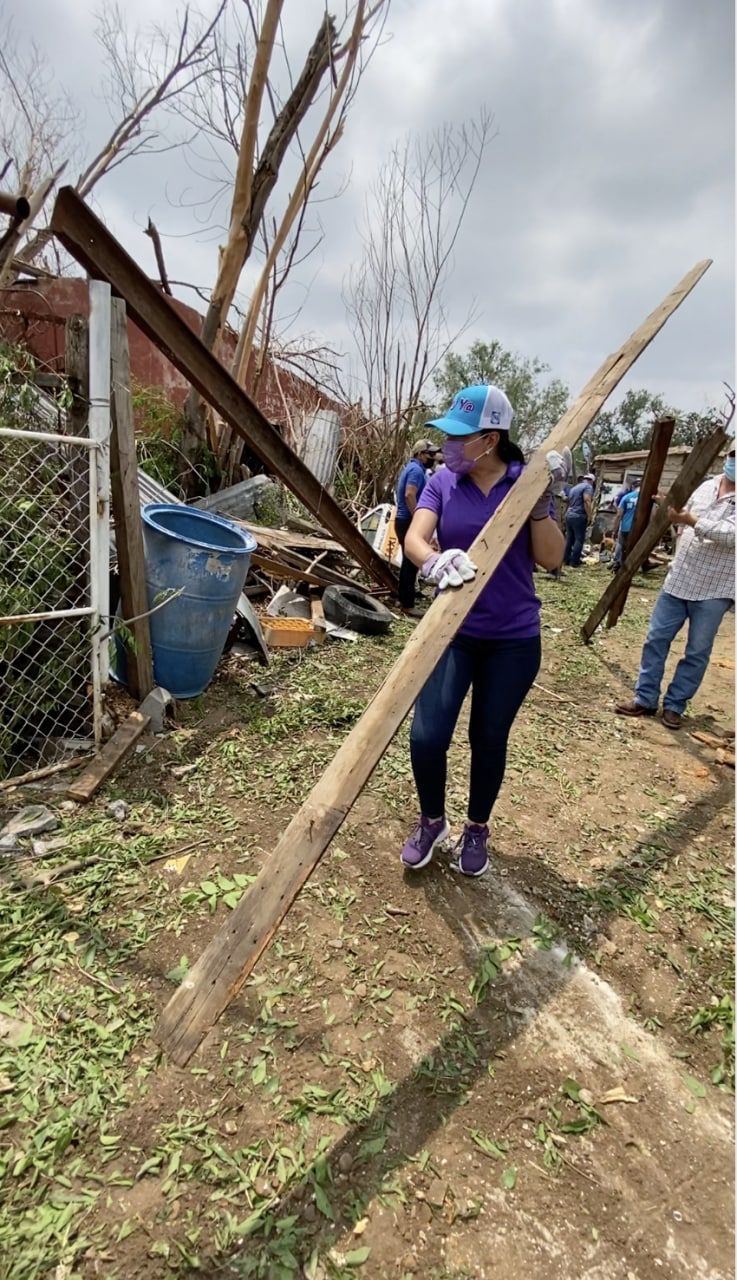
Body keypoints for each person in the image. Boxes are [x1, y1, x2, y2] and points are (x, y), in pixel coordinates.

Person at [399, 383, 567, 877]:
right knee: (427, 737)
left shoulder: (526, 482)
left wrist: (539, 505)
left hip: (512, 639)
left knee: (488, 736)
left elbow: (552, 557)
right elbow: (413, 537)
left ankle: (477, 827)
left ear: (490, 439)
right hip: (452, 630)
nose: (448, 446)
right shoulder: (442, 481)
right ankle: (433, 822)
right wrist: (432, 562)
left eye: (460, 437)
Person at [616, 450, 735, 730]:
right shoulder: (706, 486)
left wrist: (692, 521)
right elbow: (680, 520)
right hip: (679, 578)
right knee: (656, 639)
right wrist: (670, 510)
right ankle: (645, 699)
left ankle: (675, 706)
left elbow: (731, 536)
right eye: (733, 454)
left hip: (715, 588)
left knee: (697, 651)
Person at [395, 440, 440, 614]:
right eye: (430, 454)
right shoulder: (416, 470)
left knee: (410, 562)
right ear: (420, 454)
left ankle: (407, 597)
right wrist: (418, 519)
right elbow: (409, 494)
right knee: (411, 562)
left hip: (404, 520)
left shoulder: (413, 468)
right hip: (407, 520)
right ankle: (407, 605)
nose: (433, 458)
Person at [563, 472, 594, 567]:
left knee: (569, 539)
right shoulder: (588, 487)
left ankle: (565, 559)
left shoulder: (574, 488)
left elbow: (568, 501)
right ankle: (574, 562)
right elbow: (587, 500)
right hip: (579, 515)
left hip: (569, 514)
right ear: (591, 481)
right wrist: (590, 515)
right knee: (579, 539)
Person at [612, 479, 641, 569]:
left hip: (625, 527)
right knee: (636, 547)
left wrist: (614, 530)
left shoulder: (626, 497)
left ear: (633, 487)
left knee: (620, 544)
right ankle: (631, 566)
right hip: (639, 529)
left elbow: (619, 515)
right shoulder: (645, 498)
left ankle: (617, 563)